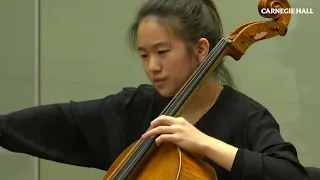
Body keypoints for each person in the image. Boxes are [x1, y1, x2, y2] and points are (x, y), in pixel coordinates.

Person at [0, 0, 308, 179]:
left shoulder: (246, 117)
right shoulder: (135, 107)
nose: (151, 67)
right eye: (144, 54)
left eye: (162, 52)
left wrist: (205, 144)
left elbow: (290, 174)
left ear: (201, 50)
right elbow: (58, 123)